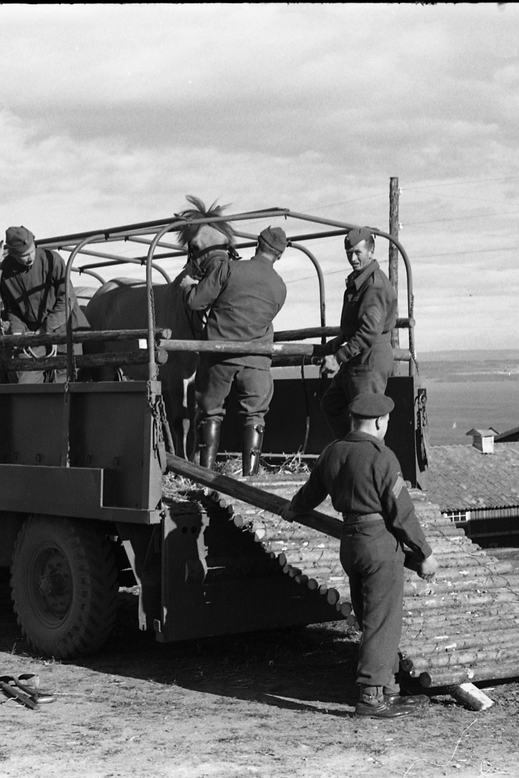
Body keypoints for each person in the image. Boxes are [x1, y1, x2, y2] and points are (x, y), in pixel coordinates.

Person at [282, 392, 438, 719]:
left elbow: (310, 493)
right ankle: (371, 697)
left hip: (349, 544)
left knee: (371, 620)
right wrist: (424, 553)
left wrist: (292, 508)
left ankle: (389, 689)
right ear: (380, 422)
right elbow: (402, 513)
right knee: (383, 622)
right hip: (380, 545)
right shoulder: (382, 457)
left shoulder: (333, 452)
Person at [184, 225, 289, 475]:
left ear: (257, 245)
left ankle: (205, 477)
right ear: (280, 255)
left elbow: (196, 302)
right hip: (257, 360)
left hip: (219, 355)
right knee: (255, 416)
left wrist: (189, 286)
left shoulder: (229, 268)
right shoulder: (280, 287)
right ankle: (250, 480)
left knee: (210, 413)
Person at [320, 226, 400, 439]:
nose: (353, 258)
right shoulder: (360, 282)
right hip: (358, 358)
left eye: (358, 253)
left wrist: (338, 357)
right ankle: (352, 451)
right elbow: (356, 328)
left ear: (371, 252)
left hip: (369, 359)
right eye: (349, 253)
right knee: (332, 404)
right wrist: (338, 343)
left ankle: (369, 462)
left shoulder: (373, 286)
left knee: (367, 420)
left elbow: (368, 331)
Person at [0, 225, 90, 383]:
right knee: (26, 382)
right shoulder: (5, 272)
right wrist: (18, 333)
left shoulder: (52, 260)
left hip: (66, 332)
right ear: (13, 254)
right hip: (33, 339)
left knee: (67, 383)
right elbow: (12, 309)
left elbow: (67, 300)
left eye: (32, 251)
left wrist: (45, 330)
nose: (30, 257)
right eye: (24, 255)